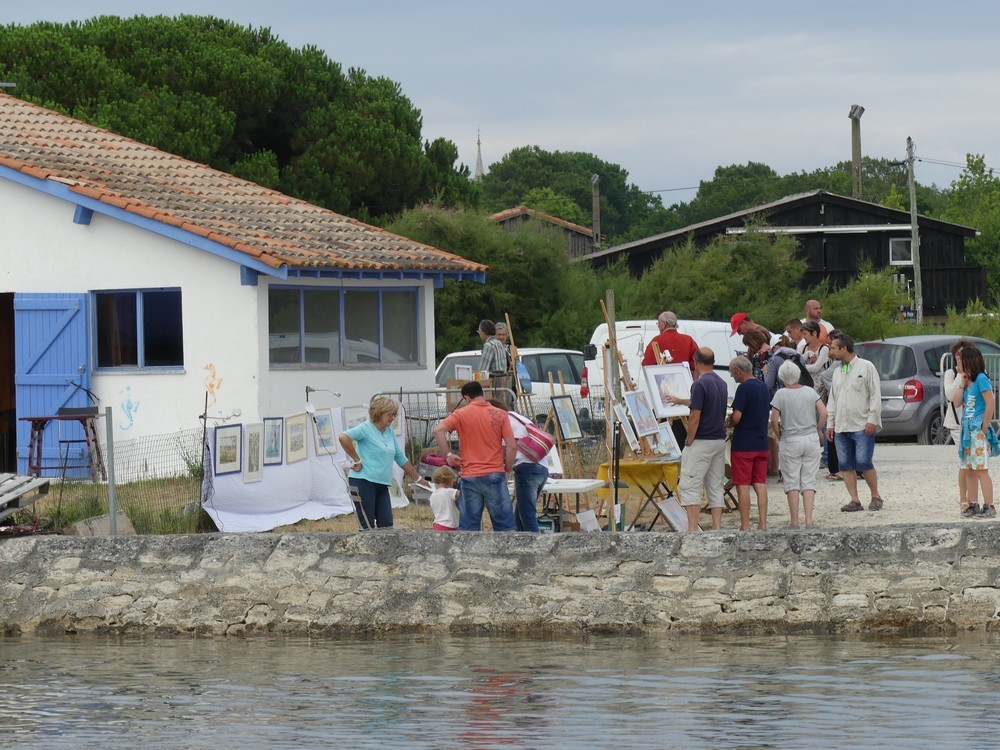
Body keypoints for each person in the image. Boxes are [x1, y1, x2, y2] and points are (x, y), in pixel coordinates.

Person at [433, 381, 517, 531]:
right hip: (494, 473)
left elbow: (438, 430)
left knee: (469, 528)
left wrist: (449, 454)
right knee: (505, 525)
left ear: (467, 398)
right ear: (482, 394)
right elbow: (511, 446)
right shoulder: (500, 414)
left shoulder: (460, 414)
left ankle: (468, 554)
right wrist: (506, 469)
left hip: (469, 475)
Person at [338, 396, 423, 529]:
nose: (392, 417)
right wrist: (357, 459)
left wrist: (419, 479)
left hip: (382, 483)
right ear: (379, 412)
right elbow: (343, 437)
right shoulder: (366, 428)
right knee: (367, 524)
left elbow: (400, 457)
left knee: (387, 523)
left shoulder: (389, 432)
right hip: (363, 481)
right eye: (390, 414)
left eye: (394, 414)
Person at [669, 347, 728, 531]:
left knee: (690, 484)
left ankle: (692, 529)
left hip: (702, 440)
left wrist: (688, 441)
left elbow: (695, 416)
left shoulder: (699, 384)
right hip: (719, 440)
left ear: (696, 361)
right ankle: (717, 528)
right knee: (715, 485)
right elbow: (704, 402)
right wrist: (680, 401)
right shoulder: (721, 382)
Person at [826, 333, 883, 512]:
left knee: (864, 462)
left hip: (861, 424)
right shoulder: (837, 371)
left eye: (834, 347)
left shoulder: (866, 367)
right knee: (845, 465)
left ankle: (875, 496)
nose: (831, 351)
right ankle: (854, 500)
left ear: (844, 348)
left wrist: (872, 419)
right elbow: (833, 399)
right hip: (841, 426)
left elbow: (875, 394)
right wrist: (830, 423)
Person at [770, 359, 827, 528]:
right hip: (810, 438)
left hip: (790, 438)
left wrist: (779, 434)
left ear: (781, 376)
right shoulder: (810, 391)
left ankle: (794, 522)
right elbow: (824, 413)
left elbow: (774, 419)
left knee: (792, 480)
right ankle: (809, 521)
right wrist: (817, 429)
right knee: (809, 479)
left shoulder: (780, 394)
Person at [488, 399, 547, 532]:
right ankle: (520, 544)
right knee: (521, 513)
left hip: (525, 466)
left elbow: (507, 448)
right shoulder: (517, 417)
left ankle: (534, 547)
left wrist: (505, 469)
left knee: (526, 515)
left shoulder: (502, 420)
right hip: (542, 466)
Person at [728, 356, 771, 531]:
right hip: (762, 443)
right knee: (760, 483)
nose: (732, 376)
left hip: (744, 444)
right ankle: (762, 523)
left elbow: (737, 417)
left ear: (738, 370)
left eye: (732, 373)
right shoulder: (763, 387)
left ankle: (745, 525)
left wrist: (729, 422)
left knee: (743, 485)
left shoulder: (743, 388)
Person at [952, 344, 995, 518]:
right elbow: (955, 403)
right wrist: (961, 382)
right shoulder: (967, 381)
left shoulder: (981, 379)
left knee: (981, 469)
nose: (958, 361)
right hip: (967, 431)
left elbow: (990, 403)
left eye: (961, 359)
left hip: (977, 430)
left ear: (969, 360)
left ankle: (989, 505)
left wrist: (984, 428)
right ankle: (973, 503)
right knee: (969, 468)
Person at [943, 339, 974, 514]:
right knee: (965, 462)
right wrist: (960, 376)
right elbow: (950, 395)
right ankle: (964, 499)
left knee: (973, 463)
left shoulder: (976, 373)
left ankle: (972, 498)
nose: (958, 357)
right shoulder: (950, 373)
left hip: (973, 423)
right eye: (956, 354)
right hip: (957, 424)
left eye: (962, 354)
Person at [429, 466, 460, 531]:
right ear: (450, 481)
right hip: (449, 525)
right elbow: (461, 493)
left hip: (438, 524)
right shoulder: (449, 491)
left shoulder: (433, 495)